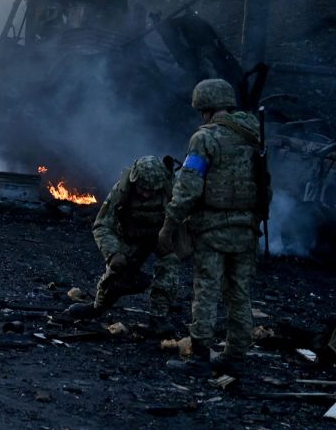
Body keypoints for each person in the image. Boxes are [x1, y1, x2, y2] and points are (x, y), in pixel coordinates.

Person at [158, 78, 266, 375]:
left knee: (205, 290)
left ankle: (200, 357)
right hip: (246, 229)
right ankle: (235, 357)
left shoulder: (204, 139)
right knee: (239, 293)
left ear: (204, 108)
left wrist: (171, 223)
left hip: (212, 228)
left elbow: (189, 187)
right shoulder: (253, 135)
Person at [66, 155, 180, 335]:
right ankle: (98, 307)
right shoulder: (121, 191)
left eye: (152, 190)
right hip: (131, 237)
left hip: (161, 236)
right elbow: (102, 225)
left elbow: (186, 215)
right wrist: (113, 253)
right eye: (143, 189)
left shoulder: (171, 189)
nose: (147, 194)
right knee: (115, 276)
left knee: (169, 268)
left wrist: (179, 241)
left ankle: (159, 318)